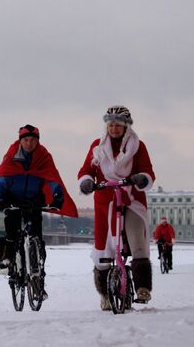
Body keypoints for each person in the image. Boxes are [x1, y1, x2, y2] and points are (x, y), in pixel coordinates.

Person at [0, 124, 78, 298]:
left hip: (34, 200)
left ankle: (38, 280)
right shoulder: (12, 156)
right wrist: (1, 199)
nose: (29, 143)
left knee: (37, 237)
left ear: (38, 141)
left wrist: (57, 195)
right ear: (20, 141)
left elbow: (52, 178)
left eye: (33, 140)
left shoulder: (43, 156)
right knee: (12, 227)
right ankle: (8, 254)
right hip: (12, 198)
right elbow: (1, 178)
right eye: (26, 140)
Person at [78, 105, 156, 310]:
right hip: (105, 201)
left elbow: (148, 171)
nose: (114, 128)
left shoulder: (138, 146)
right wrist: (87, 181)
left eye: (118, 125)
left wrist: (142, 178)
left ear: (126, 127)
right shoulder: (97, 146)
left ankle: (142, 288)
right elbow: (86, 169)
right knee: (102, 250)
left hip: (132, 200)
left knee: (137, 240)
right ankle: (104, 293)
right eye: (110, 124)